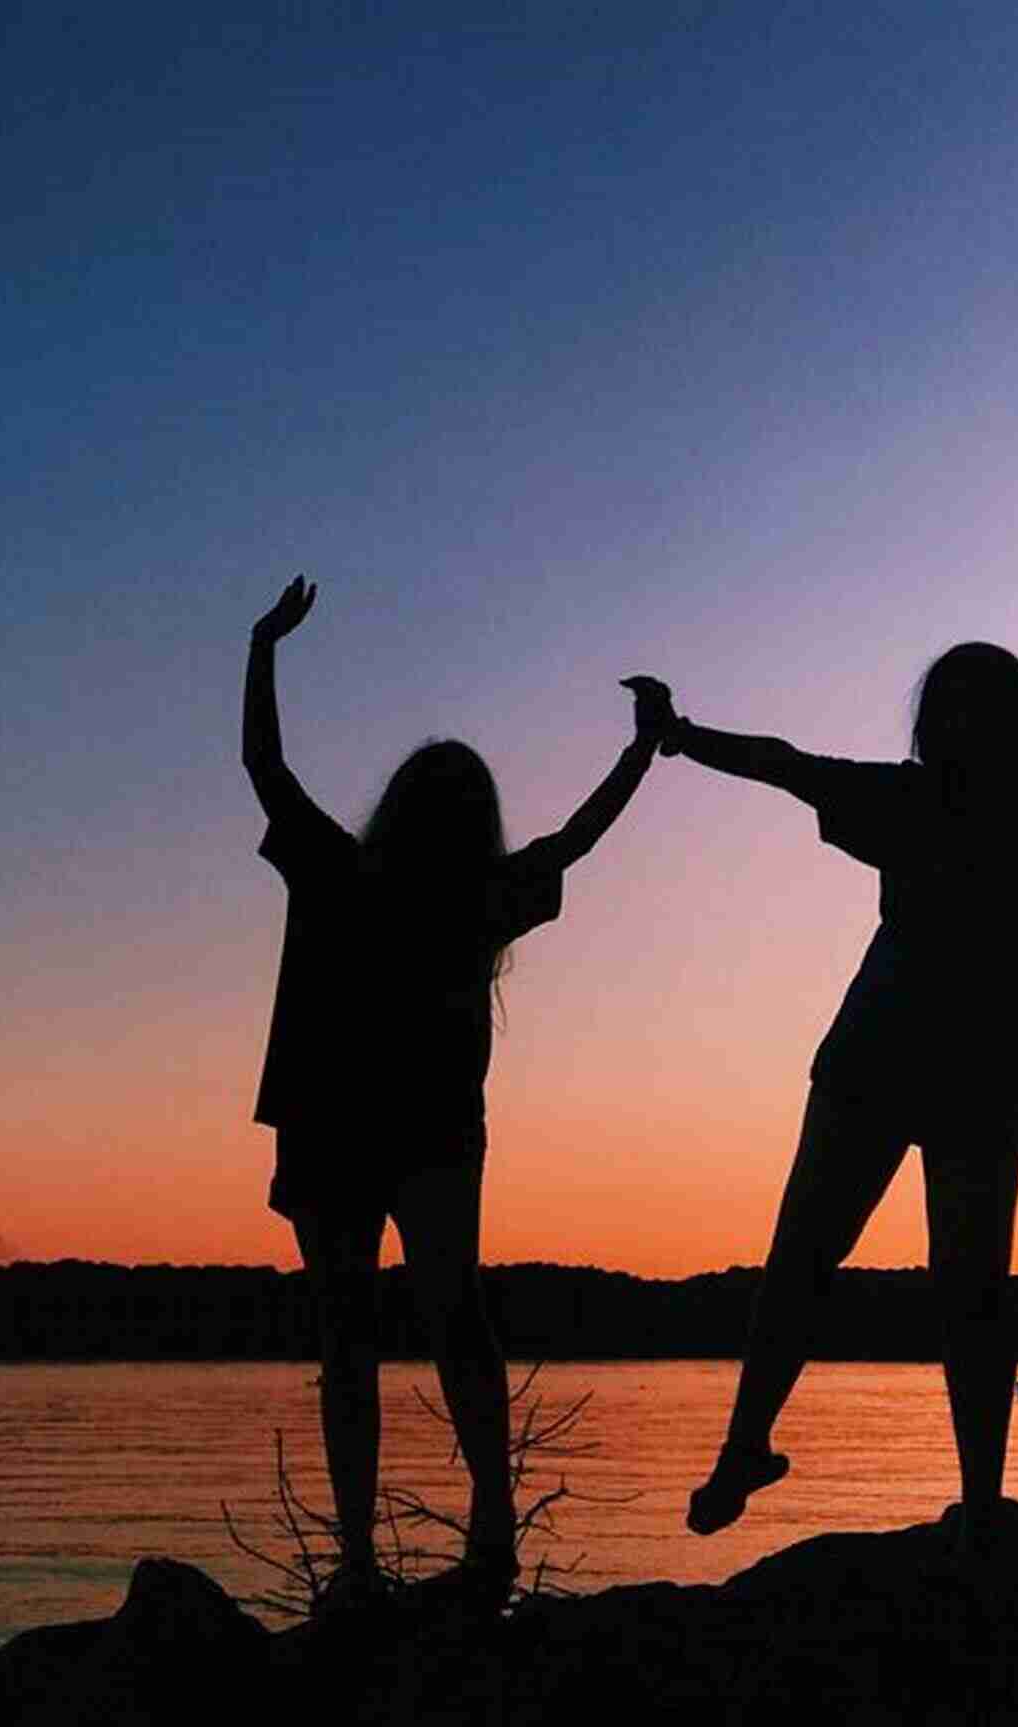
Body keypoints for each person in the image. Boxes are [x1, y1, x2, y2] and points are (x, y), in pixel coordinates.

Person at [638, 645, 1018, 1553]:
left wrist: (683, 737)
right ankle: (752, 1451)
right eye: (946, 710)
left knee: (949, 1285)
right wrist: (683, 737)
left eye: (965, 708)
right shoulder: (978, 811)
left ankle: (967, 1499)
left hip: (955, 1082)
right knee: (828, 1261)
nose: (950, 726)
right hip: (889, 1069)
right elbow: (787, 764)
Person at [243, 576, 663, 1609]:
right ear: (476, 819)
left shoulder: (347, 871)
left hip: (346, 1130)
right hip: (412, 1133)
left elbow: (263, 765)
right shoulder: (477, 893)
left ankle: (362, 1563)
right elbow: (579, 837)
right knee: (449, 1321)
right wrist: (641, 748)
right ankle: (479, 1540)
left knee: (359, 1339)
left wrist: (265, 645)